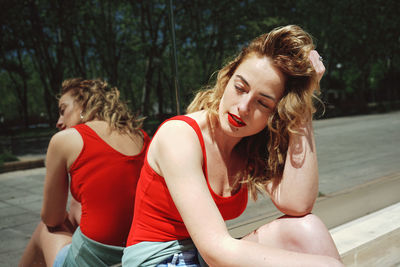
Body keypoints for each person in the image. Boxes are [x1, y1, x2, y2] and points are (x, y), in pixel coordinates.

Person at [122, 25, 343, 266]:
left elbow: (297, 204)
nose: (244, 106)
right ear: (227, 79)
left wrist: (303, 105)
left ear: (277, 111)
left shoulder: (249, 145)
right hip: (158, 260)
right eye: (240, 88)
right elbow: (216, 251)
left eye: (263, 102)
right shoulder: (179, 136)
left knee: (307, 229)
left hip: (202, 255)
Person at [19, 78, 150, 267]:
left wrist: (61, 217)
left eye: (63, 111)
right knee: (75, 206)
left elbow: (51, 218)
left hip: (96, 261)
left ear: (84, 104)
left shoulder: (64, 140)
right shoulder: (142, 135)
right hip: (138, 253)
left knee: (45, 230)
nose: (59, 122)